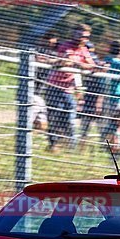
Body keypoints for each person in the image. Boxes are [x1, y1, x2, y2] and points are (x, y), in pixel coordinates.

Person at [43, 24, 96, 152]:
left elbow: (91, 65)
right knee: (53, 115)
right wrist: (80, 64)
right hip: (54, 86)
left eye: (85, 37)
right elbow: (67, 61)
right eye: (79, 35)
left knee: (69, 115)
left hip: (68, 89)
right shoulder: (66, 46)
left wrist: (81, 64)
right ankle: (53, 144)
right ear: (74, 34)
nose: (82, 38)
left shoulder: (84, 50)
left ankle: (70, 145)